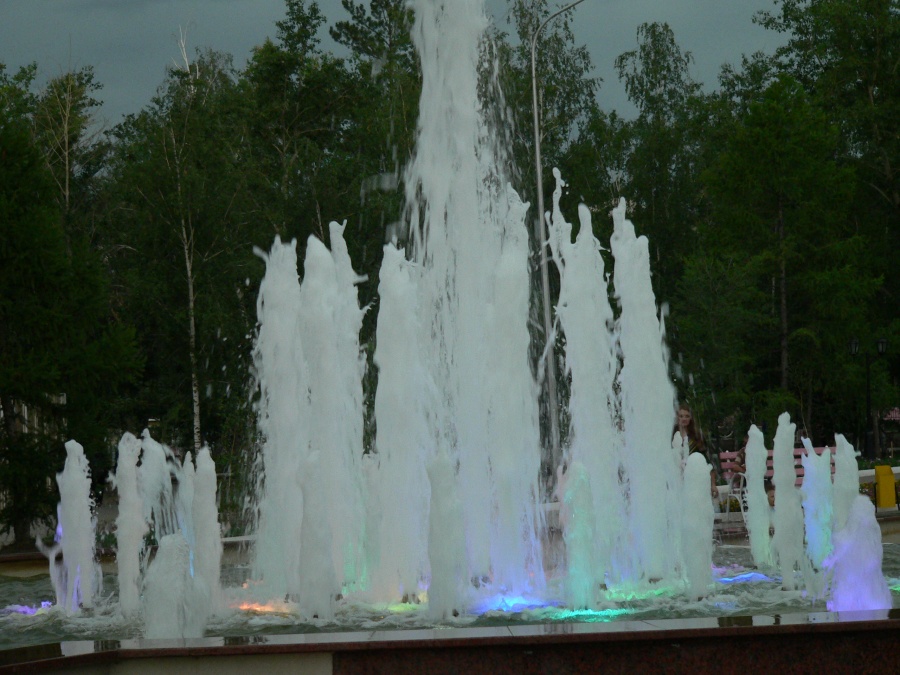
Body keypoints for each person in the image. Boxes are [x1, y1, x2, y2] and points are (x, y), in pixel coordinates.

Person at [673, 404, 718, 498]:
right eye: (681, 416)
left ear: (691, 418)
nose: (684, 419)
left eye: (687, 416)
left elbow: (707, 463)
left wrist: (713, 484)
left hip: (693, 478)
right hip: (675, 478)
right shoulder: (671, 436)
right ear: (677, 418)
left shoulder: (696, 437)